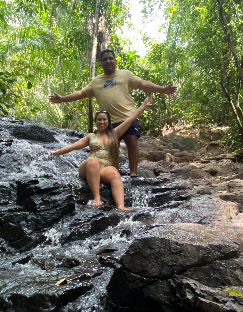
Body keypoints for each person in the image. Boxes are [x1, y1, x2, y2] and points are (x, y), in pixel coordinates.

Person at [49, 48, 176, 178]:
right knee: (111, 149)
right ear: (101, 63)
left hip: (128, 117)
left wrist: (162, 89)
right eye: (105, 59)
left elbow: (143, 83)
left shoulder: (125, 74)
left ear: (115, 61)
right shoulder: (96, 81)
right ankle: (113, 174)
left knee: (132, 142)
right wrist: (62, 99)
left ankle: (133, 174)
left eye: (111, 58)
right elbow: (81, 93)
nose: (108, 61)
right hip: (108, 122)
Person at [50, 97, 152, 211]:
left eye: (104, 119)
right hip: (89, 167)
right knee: (93, 161)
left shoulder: (114, 133)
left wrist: (143, 106)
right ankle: (97, 198)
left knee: (114, 172)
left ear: (108, 122)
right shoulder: (90, 136)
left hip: (105, 168)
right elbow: (73, 147)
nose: (102, 122)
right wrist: (56, 152)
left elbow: (130, 119)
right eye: (99, 119)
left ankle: (121, 206)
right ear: (95, 122)